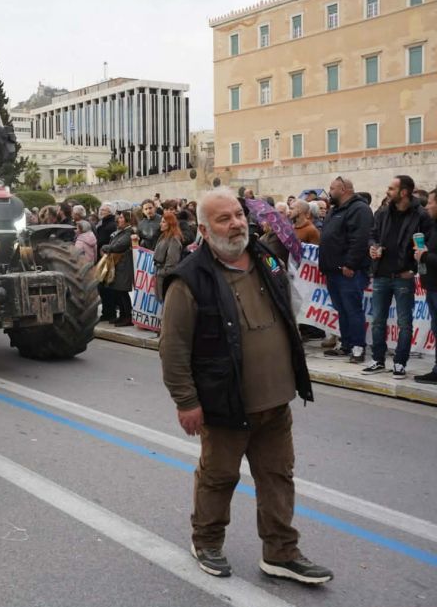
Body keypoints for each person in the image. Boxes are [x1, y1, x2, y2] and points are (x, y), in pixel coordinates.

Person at [159, 188, 333, 585]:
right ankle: (206, 542)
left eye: (238, 214)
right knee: (219, 477)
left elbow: (289, 315)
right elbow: (173, 349)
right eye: (224, 219)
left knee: (278, 477)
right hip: (225, 404)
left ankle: (281, 552)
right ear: (204, 229)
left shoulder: (267, 259)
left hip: (276, 401)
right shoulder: (189, 280)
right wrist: (186, 402)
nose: (236, 223)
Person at [363, 175, 433, 379]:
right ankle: (378, 359)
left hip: (403, 276)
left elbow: (427, 244)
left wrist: (414, 268)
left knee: (404, 322)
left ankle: (400, 363)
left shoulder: (420, 215)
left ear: (404, 192)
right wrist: (372, 248)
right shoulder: (383, 211)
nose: (387, 191)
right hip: (381, 274)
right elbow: (372, 235)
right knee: (377, 320)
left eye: (391, 188)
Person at [319, 177, 374, 362]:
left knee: (353, 309)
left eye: (332, 188)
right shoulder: (335, 210)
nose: (329, 191)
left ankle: (358, 347)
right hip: (333, 270)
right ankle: (347, 344)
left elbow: (359, 240)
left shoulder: (360, 209)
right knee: (342, 310)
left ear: (343, 189)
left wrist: (350, 264)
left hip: (349, 271)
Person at [413, 189, 437, 383]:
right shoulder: (433, 226)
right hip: (432, 285)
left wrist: (425, 256)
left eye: (430, 202)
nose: (427, 206)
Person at [101, 211, 134, 326]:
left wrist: (106, 247)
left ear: (127, 220)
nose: (117, 220)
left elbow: (119, 246)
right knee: (117, 292)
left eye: (120, 217)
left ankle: (127, 317)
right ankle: (122, 316)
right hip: (118, 265)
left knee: (122, 292)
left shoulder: (129, 232)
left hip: (124, 266)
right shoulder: (121, 232)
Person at [95, 202, 118, 322]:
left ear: (110, 212)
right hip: (101, 259)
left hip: (107, 259)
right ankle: (106, 312)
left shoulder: (111, 225)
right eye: (101, 209)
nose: (101, 211)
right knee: (102, 288)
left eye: (103, 210)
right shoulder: (102, 225)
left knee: (107, 288)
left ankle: (110, 312)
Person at [153, 211, 183, 301]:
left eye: (163, 222)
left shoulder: (174, 240)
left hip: (165, 278)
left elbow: (172, 263)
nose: (160, 224)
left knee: (166, 302)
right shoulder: (163, 236)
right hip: (160, 275)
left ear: (170, 224)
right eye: (161, 221)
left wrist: (160, 273)